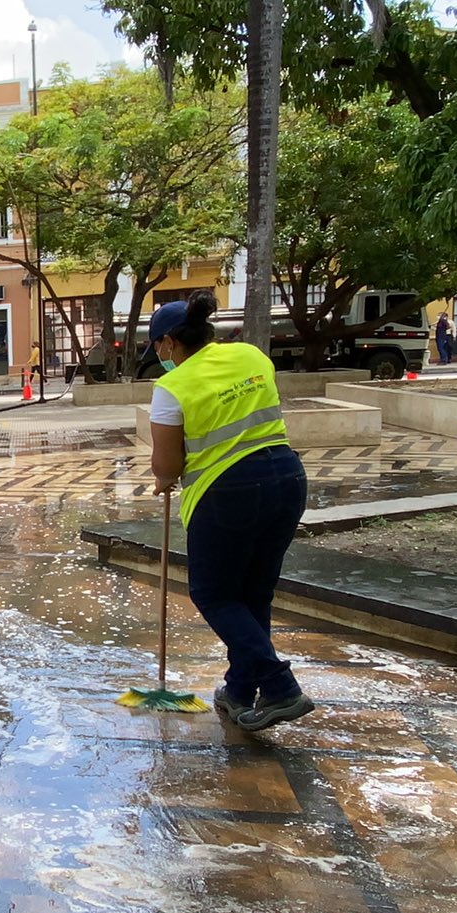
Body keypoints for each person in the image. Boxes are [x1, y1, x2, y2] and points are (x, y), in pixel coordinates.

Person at [147, 298, 314, 731]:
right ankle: (240, 689)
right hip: (287, 478)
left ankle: (280, 687)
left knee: (215, 594)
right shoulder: (250, 355)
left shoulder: (173, 387)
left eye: (158, 347)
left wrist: (165, 477)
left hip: (227, 493)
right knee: (253, 593)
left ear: (168, 342)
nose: (159, 357)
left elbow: (167, 466)